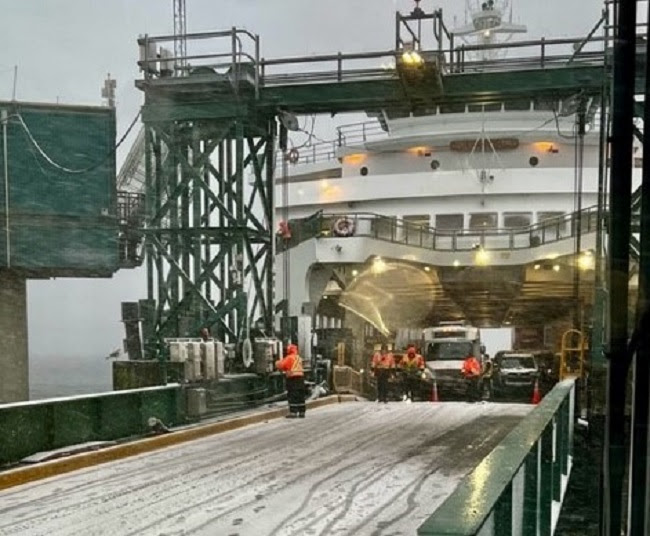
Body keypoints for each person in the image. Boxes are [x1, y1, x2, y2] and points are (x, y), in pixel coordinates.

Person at [276, 343, 306, 418]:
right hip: (301, 378)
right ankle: (302, 412)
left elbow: (282, 365)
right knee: (300, 395)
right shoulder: (298, 357)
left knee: (293, 395)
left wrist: (276, 363)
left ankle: (293, 412)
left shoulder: (289, 358)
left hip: (292, 378)